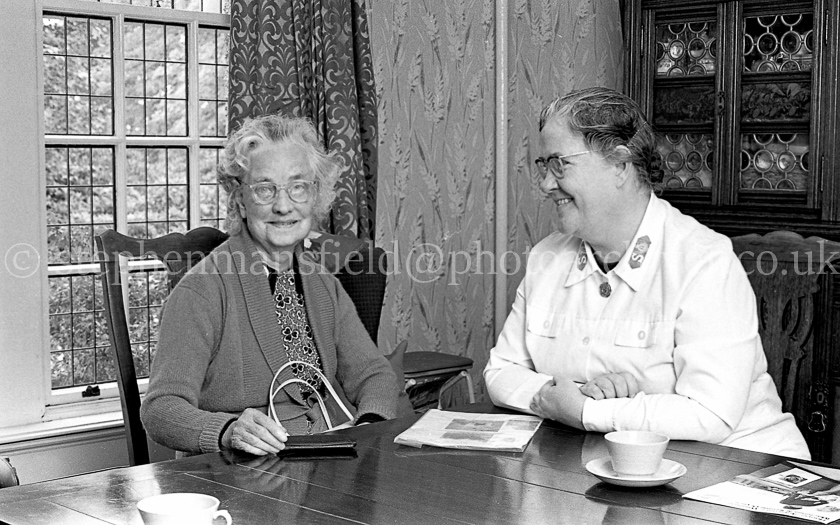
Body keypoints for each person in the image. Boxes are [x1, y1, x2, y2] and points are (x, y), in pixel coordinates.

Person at [484, 87, 810, 460]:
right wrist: (570, 393)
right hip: (614, 470)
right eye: (544, 166)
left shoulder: (704, 261)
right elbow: (500, 372)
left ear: (620, 164)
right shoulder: (547, 258)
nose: (545, 184)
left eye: (560, 164)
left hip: (740, 473)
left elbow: (711, 415)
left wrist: (587, 411)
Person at [141, 113, 398, 456]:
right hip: (234, 476)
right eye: (264, 188)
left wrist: (368, 427)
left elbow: (374, 374)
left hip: (321, 469)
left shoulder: (322, 283)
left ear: (315, 195)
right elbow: (160, 410)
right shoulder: (201, 290)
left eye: (297, 186)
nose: (282, 205)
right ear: (239, 199)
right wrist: (227, 431)